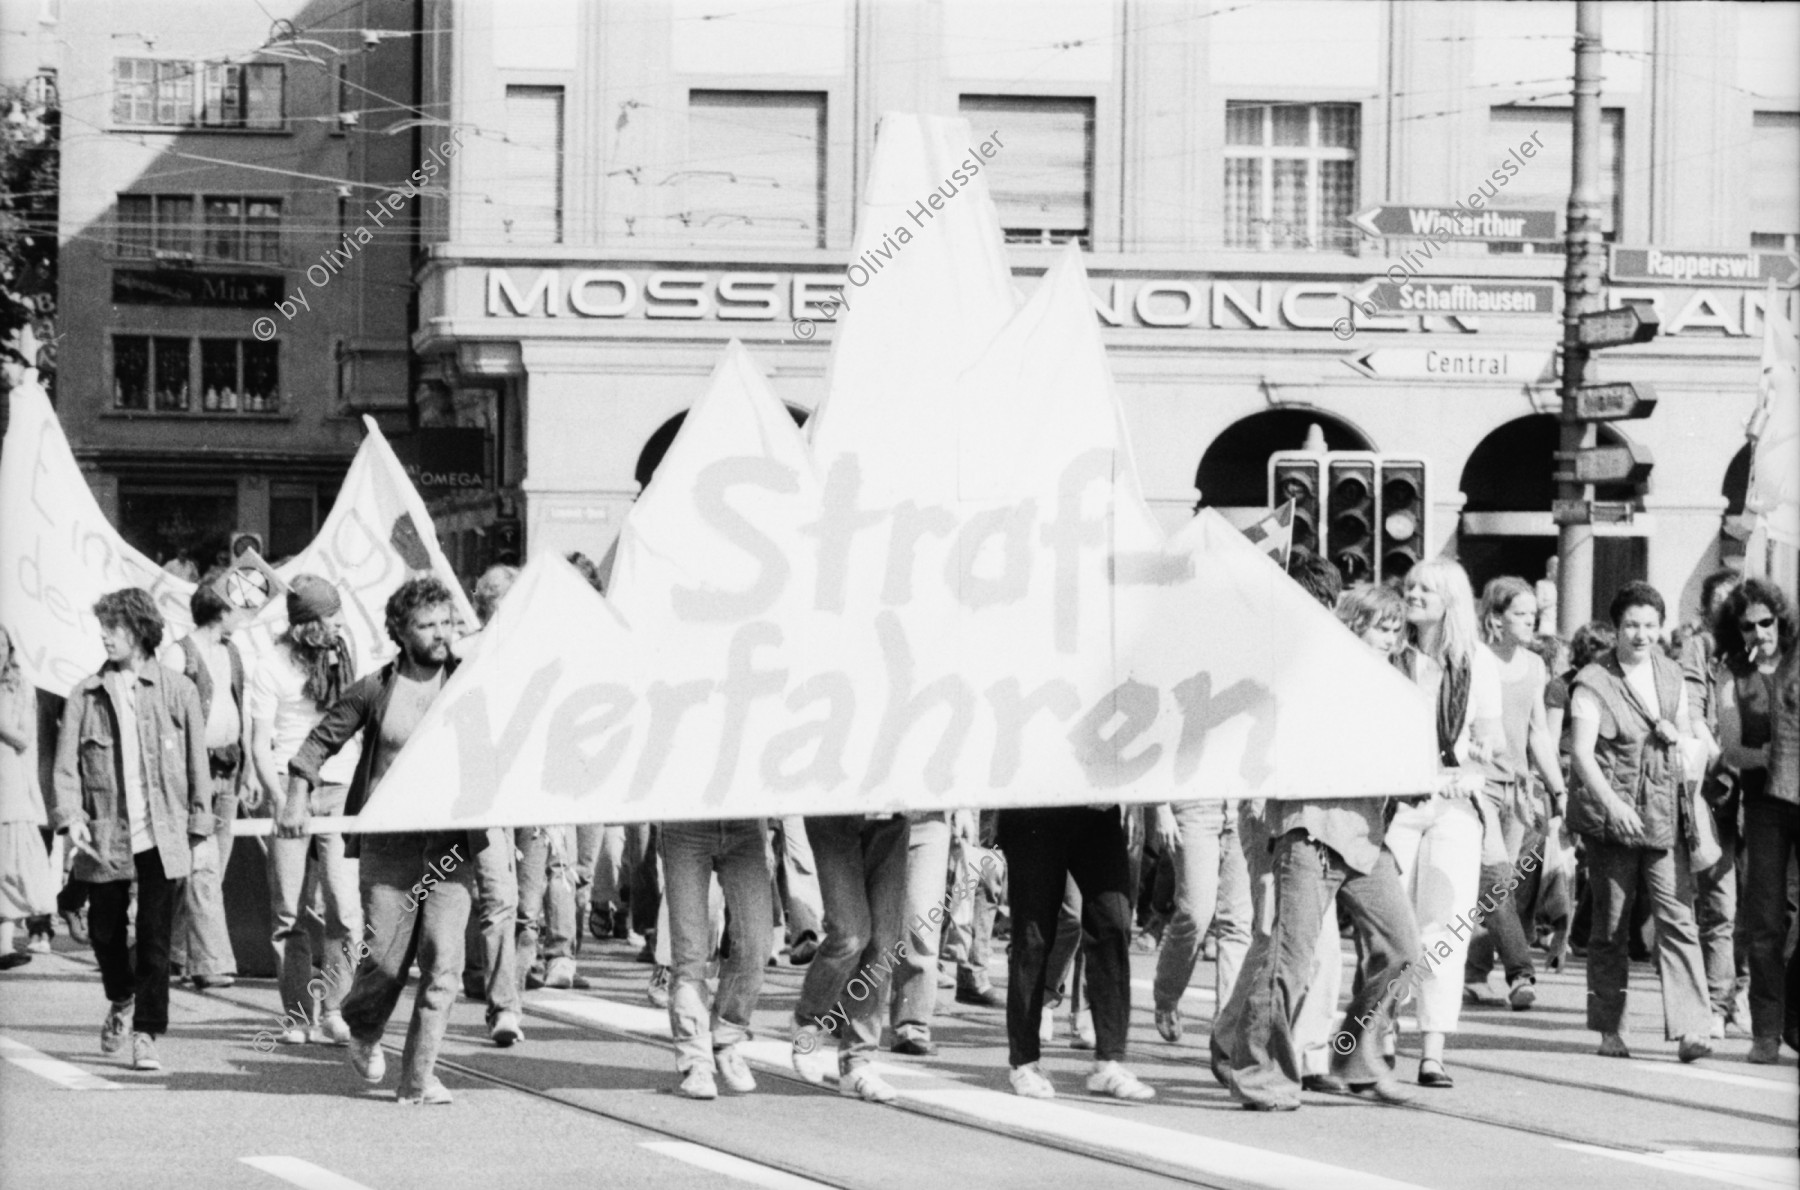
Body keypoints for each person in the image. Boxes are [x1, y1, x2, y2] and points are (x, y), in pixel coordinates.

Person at [1217, 582, 1422, 1111]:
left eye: (1397, 630)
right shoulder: (1315, 676)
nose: (1391, 639)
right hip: (1310, 828)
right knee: (1291, 958)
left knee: (1402, 950)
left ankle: (1357, 1058)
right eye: (1382, 627)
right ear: (1352, 625)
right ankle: (1260, 1074)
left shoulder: (1394, 683)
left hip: (1365, 833)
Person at [286, 577, 485, 1104]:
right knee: (387, 961)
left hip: (449, 847)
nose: (441, 635)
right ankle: (366, 1029)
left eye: (447, 623)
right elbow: (316, 745)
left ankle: (417, 1079)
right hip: (389, 845)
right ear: (400, 631)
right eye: (427, 625)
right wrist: (293, 798)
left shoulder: (471, 682)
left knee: (443, 962)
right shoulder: (375, 688)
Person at [51, 589, 212, 1071]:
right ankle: (121, 997)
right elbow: (65, 769)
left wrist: (199, 828)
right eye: (102, 626)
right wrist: (72, 817)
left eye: (114, 626)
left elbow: (196, 763)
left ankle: (146, 1033)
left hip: (163, 831)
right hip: (104, 835)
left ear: (140, 630)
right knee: (104, 931)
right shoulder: (85, 693)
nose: (104, 634)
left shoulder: (177, 689)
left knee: (156, 936)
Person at [1567, 581, 1714, 1063]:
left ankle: (1693, 1027)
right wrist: (1613, 806)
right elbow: (1583, 757)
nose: (1642, 634)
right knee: (1611, 923)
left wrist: (1681, 737)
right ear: (1615, 628)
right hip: (1614, 820)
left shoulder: (1672, 675)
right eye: (1632, 624)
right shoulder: (1593, 680)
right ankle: (1609, 1028)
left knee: (1678, 918)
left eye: (1651, 625)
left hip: (1664, 813)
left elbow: (1695, 742)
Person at [1382, 558, 1506, 1089]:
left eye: (1425, 589)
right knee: (1390, 926)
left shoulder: (1476, 661)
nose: (1412, 595)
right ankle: (1379, 1034)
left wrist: (1476, 756)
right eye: (1409, 586)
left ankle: (1432, 1049)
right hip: (1398, 804)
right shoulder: (1390, 655)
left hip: (1455, 805)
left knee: (1447, 930)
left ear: (1450, 600)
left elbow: (1493, 743)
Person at [249, 576, 366, 1047]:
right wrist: (279, 802)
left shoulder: (344, 655)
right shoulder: (271, 664)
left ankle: (335, 1007)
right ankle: (298, 1014)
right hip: (286, 787)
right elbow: (259, 741)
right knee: (288, 912)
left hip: (339, 788)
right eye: (331, 616)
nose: (340, 622)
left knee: (346, 908)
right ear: (309, 624)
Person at [1463, 578, 1568, 1011]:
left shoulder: (1535, 665)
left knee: (1498, 887)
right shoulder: (1475, 659)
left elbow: (1538, 732)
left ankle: (1472, 975)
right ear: (1495, 618)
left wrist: (1558, 789)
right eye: (1521, 614)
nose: (1531, 622)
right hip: (1478, 784)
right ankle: (1521, 972)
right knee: (1495, 878)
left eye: (1533, 615)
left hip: (1519, 788)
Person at [1712, 577, 1798, 1065]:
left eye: (1766, 622)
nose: (1759, 632)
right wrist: (1766, 753)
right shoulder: (1733, 674)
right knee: (1764, 920)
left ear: (1780, 619)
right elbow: (1730, 747)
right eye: (1748, 626)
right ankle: (1766, 1030)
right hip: (1764, 804)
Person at [158, 571, 247, 990]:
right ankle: (211, 963)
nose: (244, 613)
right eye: (237, 605)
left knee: (208, 872)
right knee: (204, 870)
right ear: (221, 608)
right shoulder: (179, 655)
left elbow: (238, 707)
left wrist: (245, 770)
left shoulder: (232, 653)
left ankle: (171, 952)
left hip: (228, 770)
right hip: (197, 775)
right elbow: (162, 721)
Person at [789, 812, 910, 1103]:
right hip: (835, 811)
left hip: (891, 814)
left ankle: (858, 1061)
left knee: (883, 943)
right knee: (850, 935)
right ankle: (808, 1023)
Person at [455, 564, 526, 1045]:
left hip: (520, 798)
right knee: (490, 897)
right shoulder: (465, 656)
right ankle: (499, 1003)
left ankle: (502, 1004)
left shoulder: (532, 653)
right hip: (473, 797)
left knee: (510, 901)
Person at [659, 814, 775, 1098]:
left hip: (745, 823)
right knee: (690, 954)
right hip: (685, 819)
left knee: (756, 945)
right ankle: (696, 1059)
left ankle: (725, 1037)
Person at [1681, 569, 1750, 1038]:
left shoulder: (1761, 649)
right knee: (1721, 904)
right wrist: (1723, 754)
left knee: (1763, 907)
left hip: (1763, 790)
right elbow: (1691, 707)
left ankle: (1743, 993)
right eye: (1721, 604)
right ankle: (1719, 1001)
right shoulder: (1699, 648)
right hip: (1716, 788)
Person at [0, 627, 54, 969]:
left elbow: (23, 737)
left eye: (2, 644)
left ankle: (5, 943)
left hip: (8, 784)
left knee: (9, 865)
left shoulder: (19, 686)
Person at [889, 811, 953, 1055]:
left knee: (922, 923)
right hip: (874, 815)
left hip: (929, 817)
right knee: (870, 927)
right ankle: (849, 1010)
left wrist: (965, 808)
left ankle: (912, 1025)